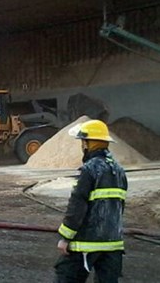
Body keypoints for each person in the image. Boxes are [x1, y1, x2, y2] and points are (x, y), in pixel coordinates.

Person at [54, 120, 128, 283]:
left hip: (85, 244)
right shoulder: (119, 171)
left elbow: (78, 205)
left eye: (83, 142)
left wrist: (65, 237)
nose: (82, 146)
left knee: (65, 276)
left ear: (89, 143)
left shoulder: (89, 169)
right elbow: (118, 208)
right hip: (113, 245)